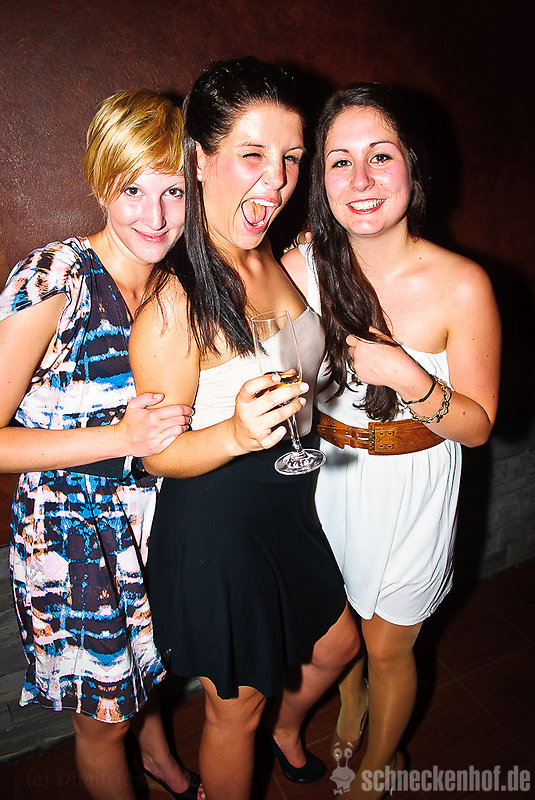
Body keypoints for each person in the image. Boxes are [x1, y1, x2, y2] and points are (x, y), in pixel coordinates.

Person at [129, 57, 360, 800]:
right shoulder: (174, 304)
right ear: (199, 159)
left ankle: (288, 733)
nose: (276, 181)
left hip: (287, 506)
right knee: (237, 711)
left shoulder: (270, 256)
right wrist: (232, 433)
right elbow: (157, 457)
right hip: (219, 527)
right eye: (252, 155)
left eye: (290, 158)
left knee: (338, 646)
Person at [282, 82, 501, 798]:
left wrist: (407, 374)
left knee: (388, 645)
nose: (361, 179)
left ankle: (377, 766)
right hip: (331, 478)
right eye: (339, 162)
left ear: (412, 164)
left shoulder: (461, 284)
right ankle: (349, 703)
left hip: (414, 487)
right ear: (320, 181)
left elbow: (477, 426)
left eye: (380, 156)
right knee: (340, 629)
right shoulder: (300, 270)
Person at [0, 90, 203, 800]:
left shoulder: (176, 282)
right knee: (102, 726)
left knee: (147, 675)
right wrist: (120, 436)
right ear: (98, 184)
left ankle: (162, 763)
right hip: (71, 535)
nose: (155, 216)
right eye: (132, 190)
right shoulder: (57, 279)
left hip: (151, 520)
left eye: (173, 190)